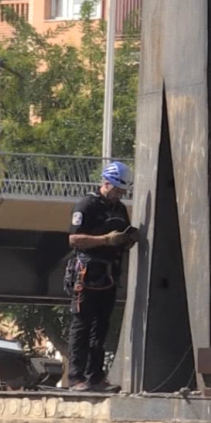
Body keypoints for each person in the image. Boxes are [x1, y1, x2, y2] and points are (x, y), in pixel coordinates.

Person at [64, 161, 139, 391]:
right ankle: (76, 377)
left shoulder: (119, 209)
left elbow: (122, 233)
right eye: (116, 190)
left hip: (108, 274)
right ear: (105, 184)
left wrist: (127, 239)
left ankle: (95, 376)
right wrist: (105, 240)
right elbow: (74, 240)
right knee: (82, 325)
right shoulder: (86, 205)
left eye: (122, 192)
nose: (118, 195)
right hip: (86, 273)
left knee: (101, 327)